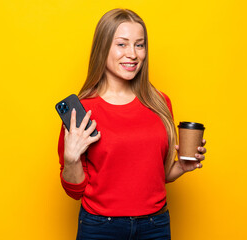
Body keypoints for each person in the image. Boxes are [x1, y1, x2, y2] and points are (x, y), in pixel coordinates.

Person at [57, 8, 207, 240]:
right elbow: (74, 190)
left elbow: (155, 173)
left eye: (139, 44)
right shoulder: (84, 111)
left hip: (155, 225)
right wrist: (71, 158)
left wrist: (181, 167)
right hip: (99, 227)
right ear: (102, 47)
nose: (133, 54)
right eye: (122, 44)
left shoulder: (159, 101)